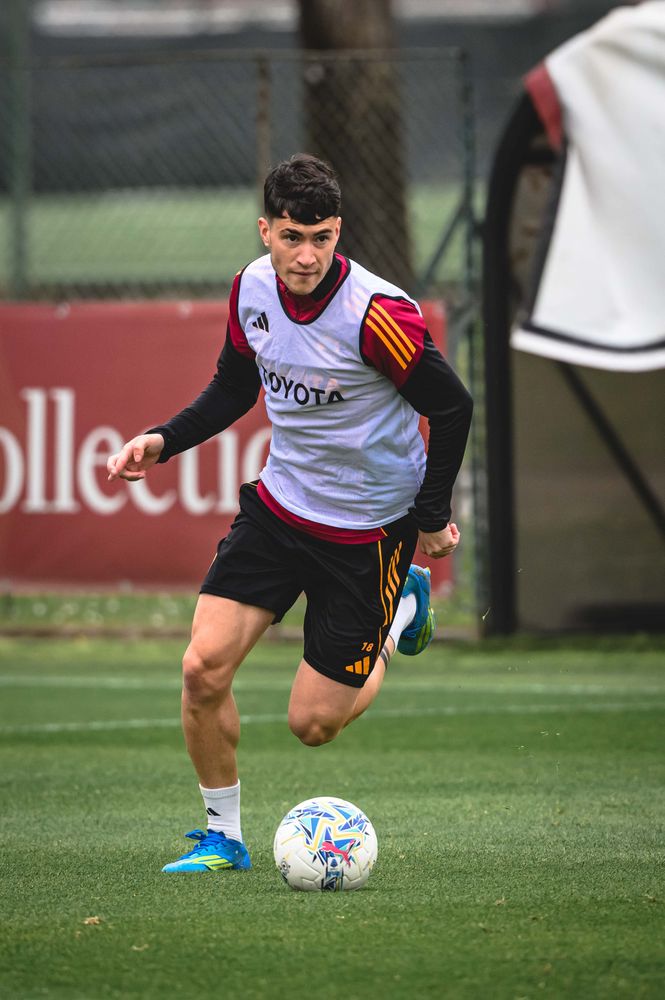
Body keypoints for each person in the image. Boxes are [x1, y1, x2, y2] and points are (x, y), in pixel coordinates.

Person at [107, 153, 473, 873]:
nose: (307, 256)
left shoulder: (377, 313)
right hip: (280, 510)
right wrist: (162, 439)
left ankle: (398, 612)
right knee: (201, 669)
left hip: (368, 532)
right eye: (292, 237)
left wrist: (430, 514)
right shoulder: (249, 289)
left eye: (323, 238)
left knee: (311, 725)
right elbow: (233, 386)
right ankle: (223, 838)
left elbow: (451, 405)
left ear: (338, 234)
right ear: (265, 230)